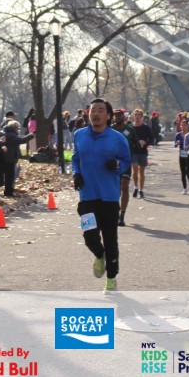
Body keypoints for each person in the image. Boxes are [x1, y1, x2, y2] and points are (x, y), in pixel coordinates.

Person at [72, 98, 131, 292]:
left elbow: (126, 162)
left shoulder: (117, 139)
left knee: (110, 239)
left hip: (109, 197)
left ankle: (111, 279)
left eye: (100, 110)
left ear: (108, 115)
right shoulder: (79, 135)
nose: (95, 114)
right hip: (87, 196)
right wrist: (76, 174)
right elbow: (75, 158)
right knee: (89, 236)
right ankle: (99, 254)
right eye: (93, 110)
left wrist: (117, 165)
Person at [110, 109, 137, 226]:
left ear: (124, 116)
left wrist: (135, 147)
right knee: (115, 189)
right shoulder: (110, 129)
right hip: (112, 162)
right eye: (116, 116)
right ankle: (115, 212)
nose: (118, 117)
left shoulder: (129, 130)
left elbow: (136, 143)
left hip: (125, 162)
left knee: (124, 186)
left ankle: (122, 214)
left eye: (120, 115)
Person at [130, 108, 154, 198]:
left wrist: (145, 142)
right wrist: (134, 143)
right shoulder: (130, 127)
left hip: (143, 151)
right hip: (134, 151)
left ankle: (141, 189)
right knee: (135, 168)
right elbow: (127, 139)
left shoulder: (145, 127)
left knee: (141, 170)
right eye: (135, 115)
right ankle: (135, 187)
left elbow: (151, 138)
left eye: (138, 115)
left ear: (141, 116)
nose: (136, 116)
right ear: (133, 116)